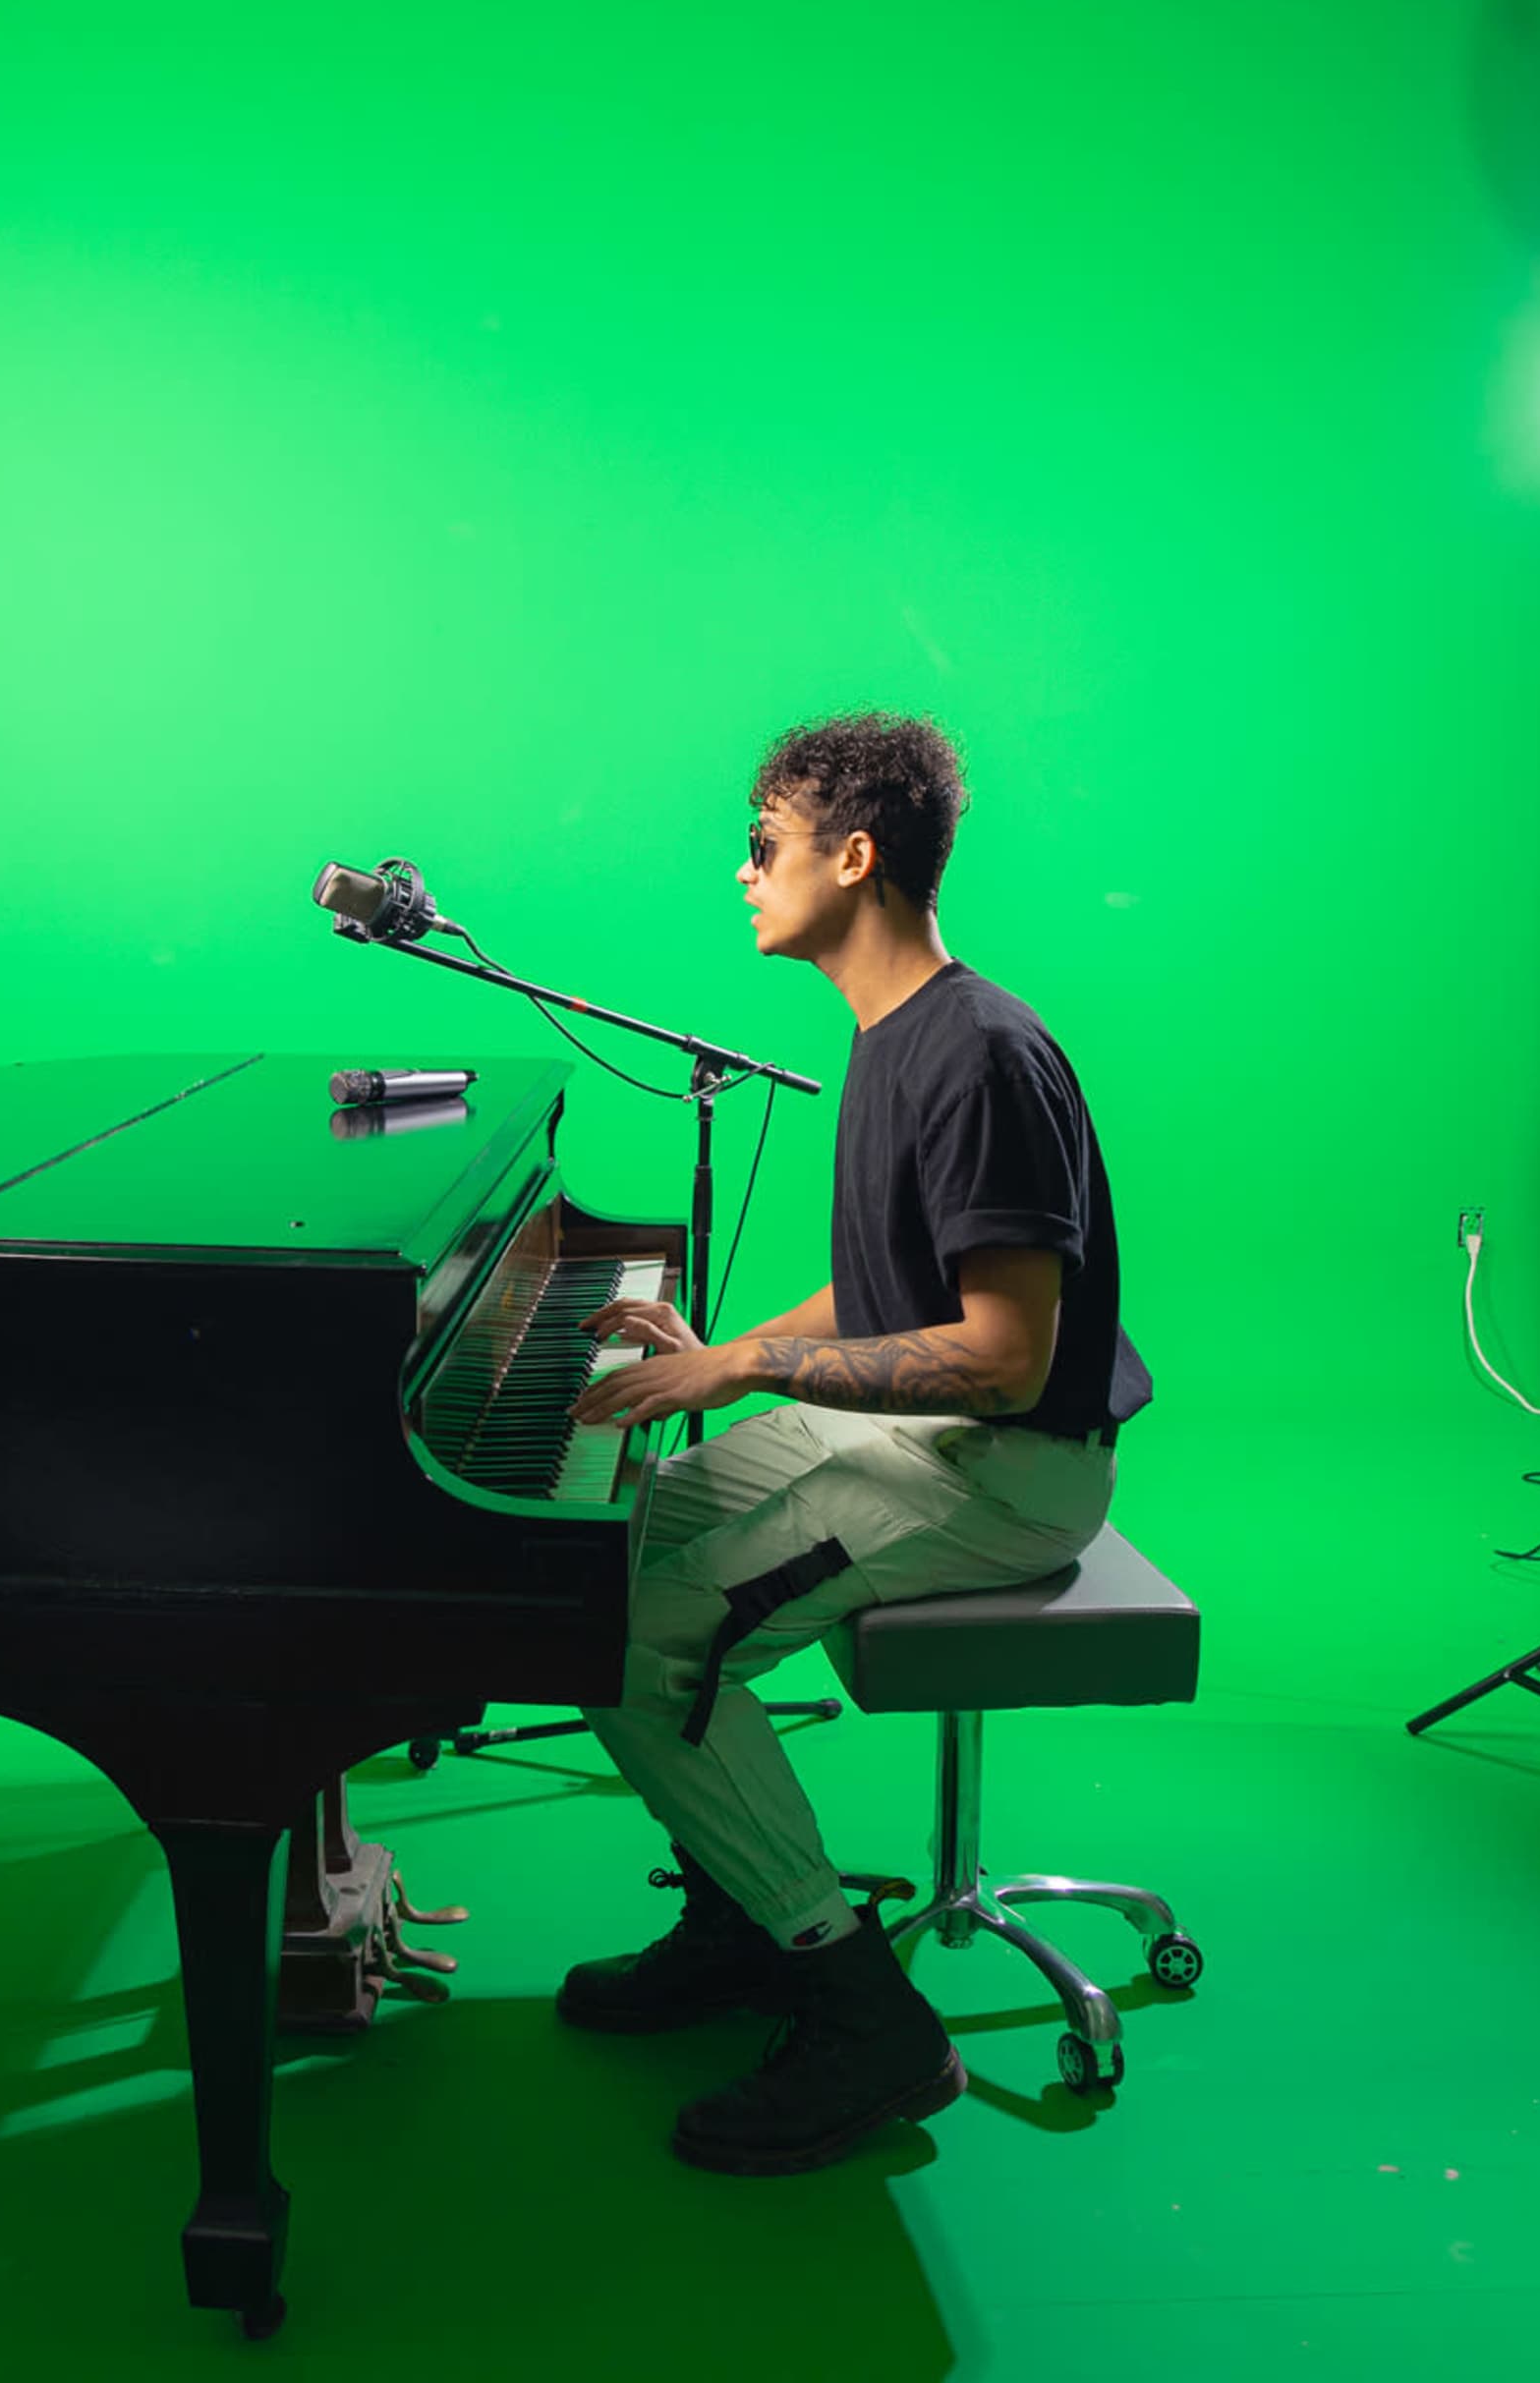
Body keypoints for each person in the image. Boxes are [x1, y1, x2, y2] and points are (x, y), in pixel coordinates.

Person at [561, 708, 1151, 2175]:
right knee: (615, 1545)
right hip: (922, 1439)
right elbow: (897, 1286)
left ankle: (863, 2011)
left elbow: (1005, 1360)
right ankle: (737, 1919)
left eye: (765, 845)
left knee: (640, 1641)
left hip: (1004, 1474)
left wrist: (754, 1365)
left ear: (857, 854)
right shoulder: (896, 1032)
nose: (745, 873)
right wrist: (726, 1359)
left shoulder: (979, 1059)